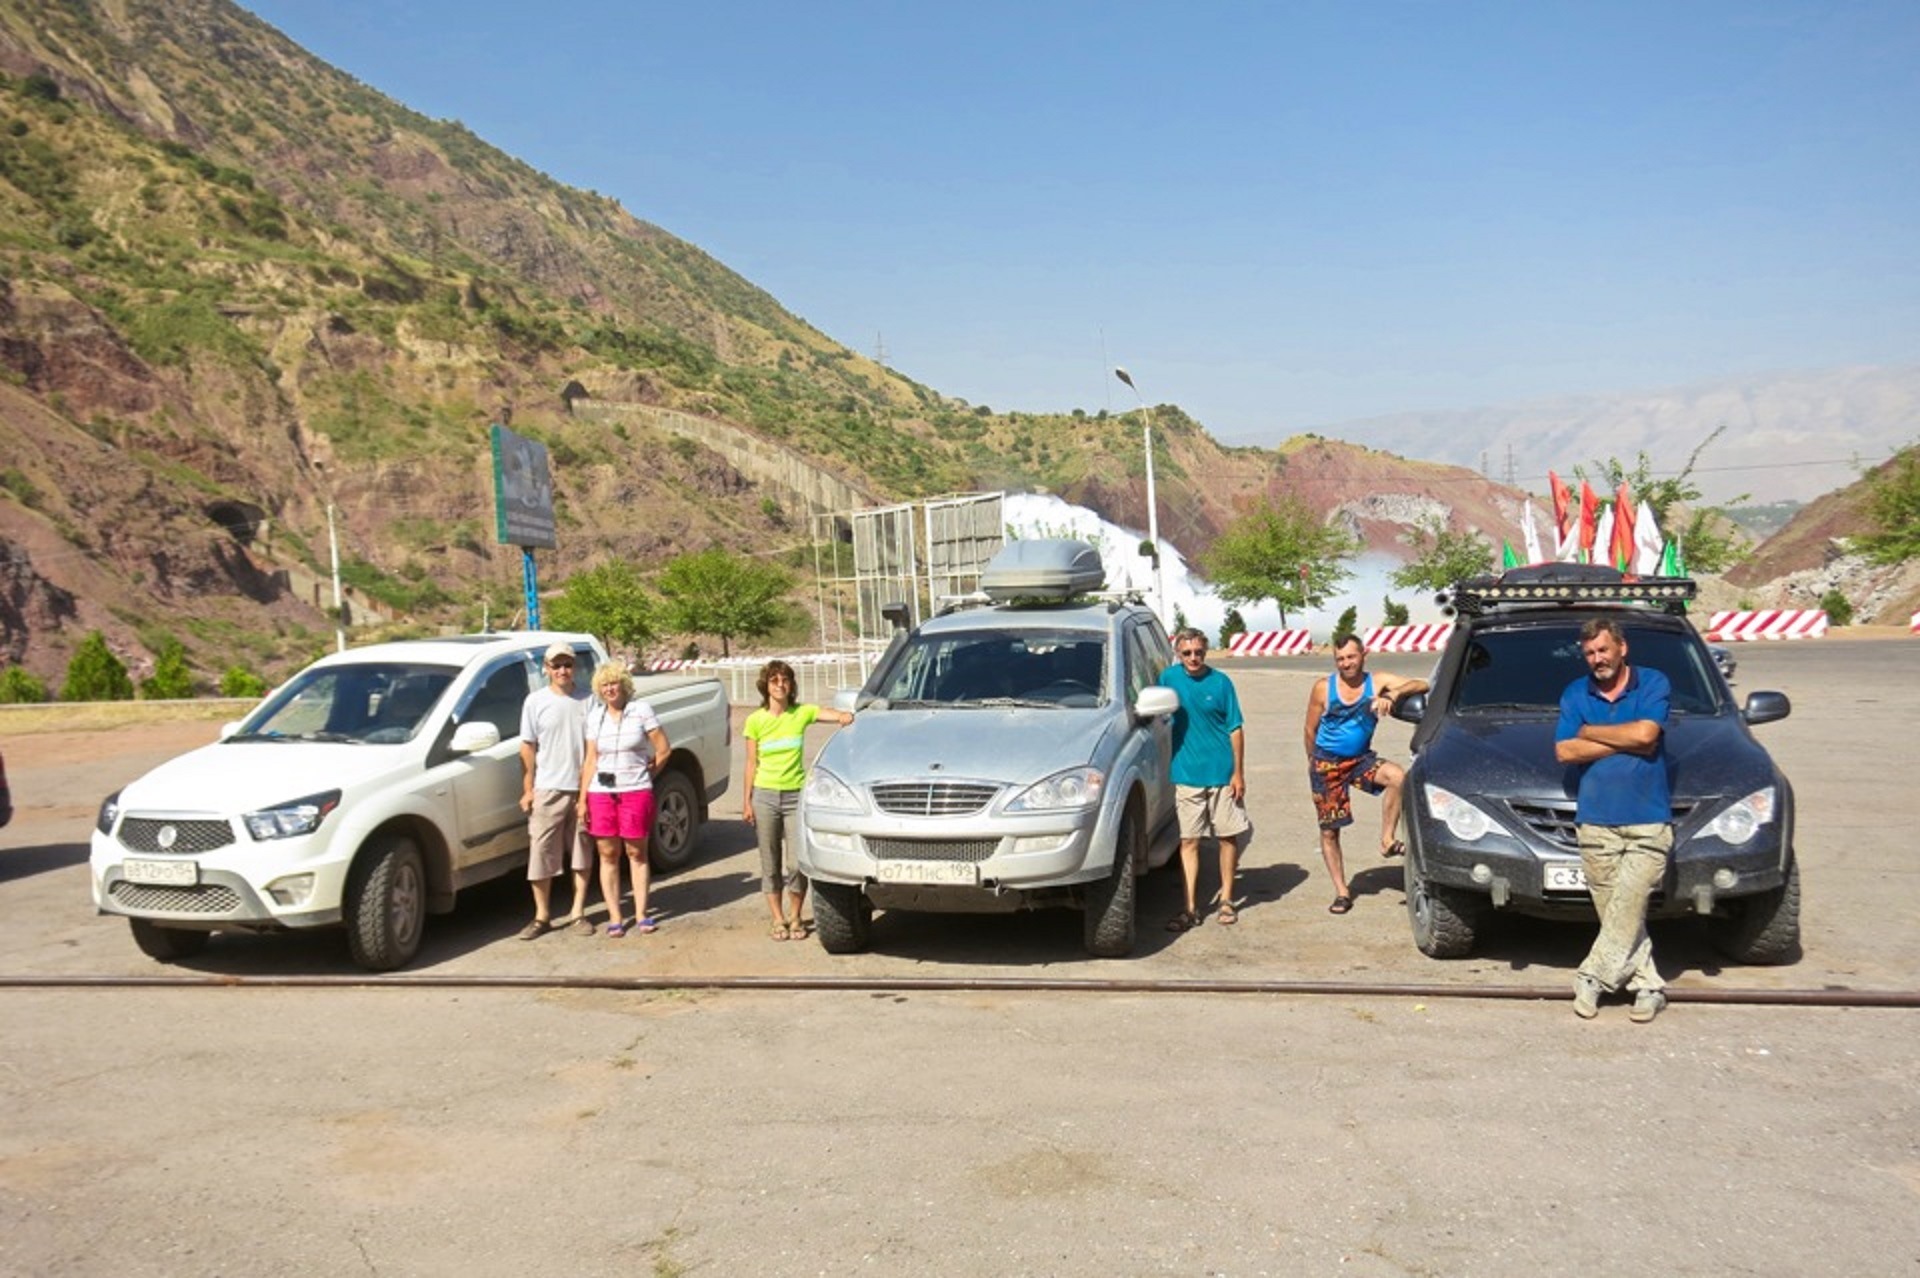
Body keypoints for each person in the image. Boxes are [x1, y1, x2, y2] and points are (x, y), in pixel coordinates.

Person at [1555, 618, 1672, 1023]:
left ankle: (1591, 976)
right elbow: (1566, 752)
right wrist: (1625, 739)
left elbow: (1647, 736)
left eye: (1603, 650)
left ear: (1622, 648)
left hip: (1648, 821)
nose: (1597, 659)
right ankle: (1648, 986)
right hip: (1595, 823)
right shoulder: (1575, 692)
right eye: (1589, 653)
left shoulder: (1653, 683)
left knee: (1629, 900)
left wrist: (1592, 732)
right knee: (1617, 911)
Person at [1304, 633, 1427, 915]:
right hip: (1327, 763)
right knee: (1329, 831)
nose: (1346, 664)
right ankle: (1342, 891)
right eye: (1340, 659)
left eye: (1351, 657)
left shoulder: (1377, 681)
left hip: (1360, 759)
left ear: (1363, 655)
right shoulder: (1324, 688)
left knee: (1398, 777)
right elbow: (1309, 730)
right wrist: (1314, 767)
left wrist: (1393, 695)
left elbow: (1423, 683)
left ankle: (1386, 839)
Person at [742, 660, 853, 940]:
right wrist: (747, 801)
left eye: (785, 680)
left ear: (791, 685)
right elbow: (750, 763)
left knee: (796, 863)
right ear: (765, 685)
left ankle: (795, 916)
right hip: (765, 795)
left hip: (795, 796)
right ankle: (777, 918)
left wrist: (845, 715)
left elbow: (829, 714)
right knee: (770, 860)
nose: (780, 685)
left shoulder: (800, 713)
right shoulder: (755, 720)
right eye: (774, 680)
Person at [1157, 628, 1252, 931]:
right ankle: (1190, 907)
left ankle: (1226, 899)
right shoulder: (1168, 680)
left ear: (1205, 651)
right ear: (1178, 653)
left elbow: (1235, 728)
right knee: (1189, 841)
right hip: (1186, 775)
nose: (1193, 658)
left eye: (1198, 652)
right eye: (1187, 653)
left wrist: (1238, 772)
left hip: (1222, 773)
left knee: (1227, 837)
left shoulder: (1221, 683)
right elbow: (1154, 713)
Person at [577, 663, 671, 938]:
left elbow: (664, 749)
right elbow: (591, 759)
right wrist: (582, 799)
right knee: (608, 854)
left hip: (635, 790)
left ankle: (642, 914)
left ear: (624, 685)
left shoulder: (641, 711)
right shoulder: (595, 717)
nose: (610, 689)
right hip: (601, 792)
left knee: (636, 852)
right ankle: (615, 916)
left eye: (614, 683)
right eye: (604, 685)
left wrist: (649, 773)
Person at [515, 643, 596, 939]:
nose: (562, 670)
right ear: (546, 668)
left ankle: (578, 912)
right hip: (548, 788)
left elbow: (592, 749)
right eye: (556, 665)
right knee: (541, 851)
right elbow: (527, 747)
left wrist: (586, 791)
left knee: (581, 852)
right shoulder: (535, 702)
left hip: (580, 790)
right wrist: (528, 788)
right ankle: (542, 915)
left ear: (575, 667)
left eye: (567, 665)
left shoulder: (589, 700)